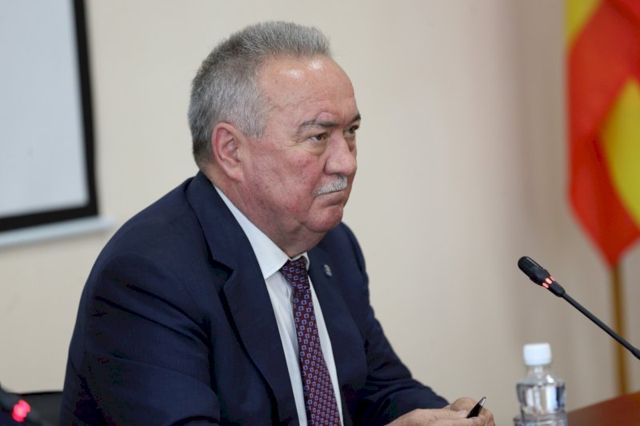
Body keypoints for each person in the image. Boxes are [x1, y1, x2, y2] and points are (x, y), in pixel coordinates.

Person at [60, 21, 494, 426]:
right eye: (318, 137)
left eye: (351, 132)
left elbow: (379, 389)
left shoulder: (333, 246)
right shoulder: (148, 279)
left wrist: (443, 417)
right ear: (231, 151)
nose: (346, 162)